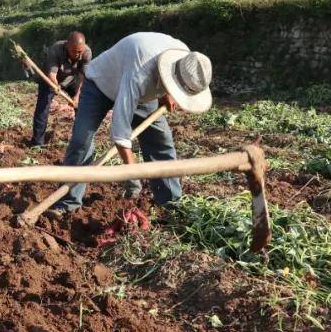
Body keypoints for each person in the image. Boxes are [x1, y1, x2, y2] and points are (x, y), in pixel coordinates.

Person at [50, 32, 213, 214]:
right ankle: (68, 203)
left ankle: (170, 204)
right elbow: (120, 130)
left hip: (142, 91)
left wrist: (167, 93)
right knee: (81, 140)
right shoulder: (140, 72)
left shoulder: (188, 61)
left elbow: (170, 75)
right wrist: (132, 174)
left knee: (161, 141)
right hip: (100, 84)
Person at [29, 32, 92, 146]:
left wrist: (77, 97)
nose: (77, 55)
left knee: (82, 104)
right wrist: (55, 86)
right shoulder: (55, 49)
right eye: (74, 51)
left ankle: (81, 141)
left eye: (80, 52)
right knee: (43, 107)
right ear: (67, 45)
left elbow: (83, 78)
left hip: (71, 79)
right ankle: (37, 142)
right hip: (50, 79)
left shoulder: (87, 52)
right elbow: (52, 74)